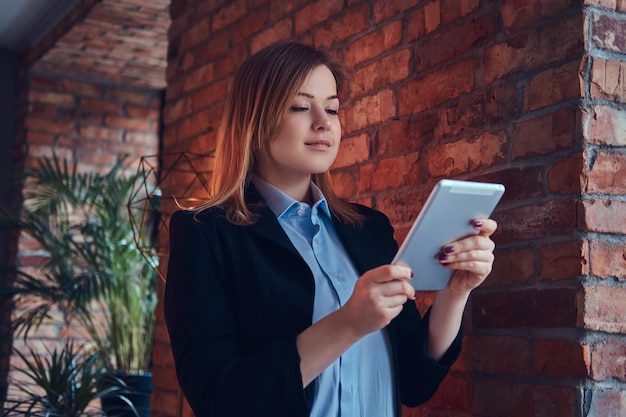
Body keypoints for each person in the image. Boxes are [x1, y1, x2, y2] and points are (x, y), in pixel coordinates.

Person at [164, 41, 498, 417]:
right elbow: (218, 398)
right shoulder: (205, 233)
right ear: (255, 119)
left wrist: (456, 292)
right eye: (301, 106)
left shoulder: (369, 229)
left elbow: (415, 383)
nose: (324, 122)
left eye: (333, 108)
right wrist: (347, 323)